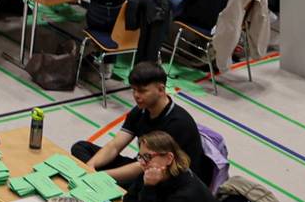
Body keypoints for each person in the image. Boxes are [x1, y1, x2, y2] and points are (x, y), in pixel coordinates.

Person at [72, 61, 212, 185]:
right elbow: (115, 146)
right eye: (133, 90)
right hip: (143, 165)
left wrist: (100, 176)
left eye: (142, 91)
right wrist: (90, 167)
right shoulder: (140, 111)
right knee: (81, 148)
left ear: (161, 89)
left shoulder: (178, 124)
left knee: (139, 185)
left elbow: (146, 167)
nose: (136, 95)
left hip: (167, 179)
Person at [125, 133, 231, 202]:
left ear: (169, 158)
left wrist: (149, 187)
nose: (142, 163)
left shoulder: (186, 193)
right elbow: (128, 200)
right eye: (140, 157)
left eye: (148, 157)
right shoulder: (152, 173)